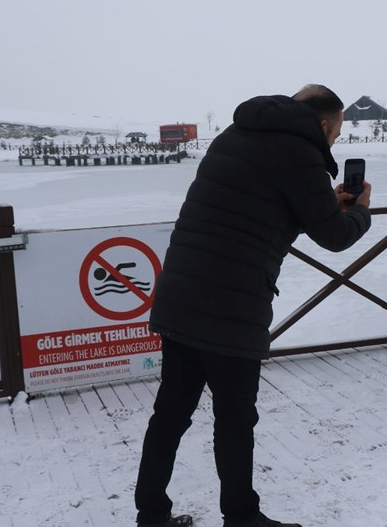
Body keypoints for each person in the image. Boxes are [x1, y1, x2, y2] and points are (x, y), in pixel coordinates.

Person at [134, 85, 372, 527]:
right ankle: (242, 518)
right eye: (337, 132)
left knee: (170, 413)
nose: (335, 141)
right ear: (323, 124)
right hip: (232, 306)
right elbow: (335, 236)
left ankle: (151, 516)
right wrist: (360, 212)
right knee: (235, 419)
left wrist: (324, 204)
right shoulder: (302, 153)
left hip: (181, 293)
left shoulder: (234, 134)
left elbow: (258, 208)